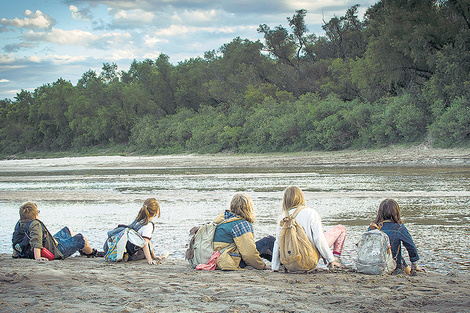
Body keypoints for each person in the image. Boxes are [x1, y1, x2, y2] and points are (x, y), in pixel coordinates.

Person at [271, 186, 347, 271]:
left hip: (290, 263)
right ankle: (335, 259)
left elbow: (278, 243)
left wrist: (274, 267)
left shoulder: (283, 217)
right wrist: (330, 259)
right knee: (341, 228)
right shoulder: (310, 213)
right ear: (301, 197)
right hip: (309, 261)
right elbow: (319, 240)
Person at [12, 202, 98, 260]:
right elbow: (36, 241)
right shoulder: (35, 224)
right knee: (81, 239)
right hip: (56, 251)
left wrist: (15, 254)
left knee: (67, 230)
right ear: (35, 215)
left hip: (50, 244)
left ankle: (82, 251)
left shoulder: (19, 224)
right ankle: (91, 253)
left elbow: (16, 240)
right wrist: (38, 257)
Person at [212, 193, 272, 270]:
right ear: (248, 208)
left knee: (263, 249)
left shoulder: (222, 219)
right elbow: (249, 254)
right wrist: (262, 266)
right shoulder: (241, 224)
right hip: (230, 260)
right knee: (268, 241)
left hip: (218, 259)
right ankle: (283, 264)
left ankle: (276, 263)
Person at [369, 199, 422, 275]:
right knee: (395, 254)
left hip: (372, 262)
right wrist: (414, 263)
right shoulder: (399, 228)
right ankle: (410, 269)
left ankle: (407, 269)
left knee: (392, 252)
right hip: (391, 265)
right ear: (396, 212)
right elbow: (411, 246)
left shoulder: (372, 227)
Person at [125, 198, 167, 265]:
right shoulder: (148, 225)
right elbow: (145, 243)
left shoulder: (139, 220)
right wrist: (150, 260)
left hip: (128, 248)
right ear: (156, 212)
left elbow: (147, 241)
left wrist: (154, 256)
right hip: (134, 252)